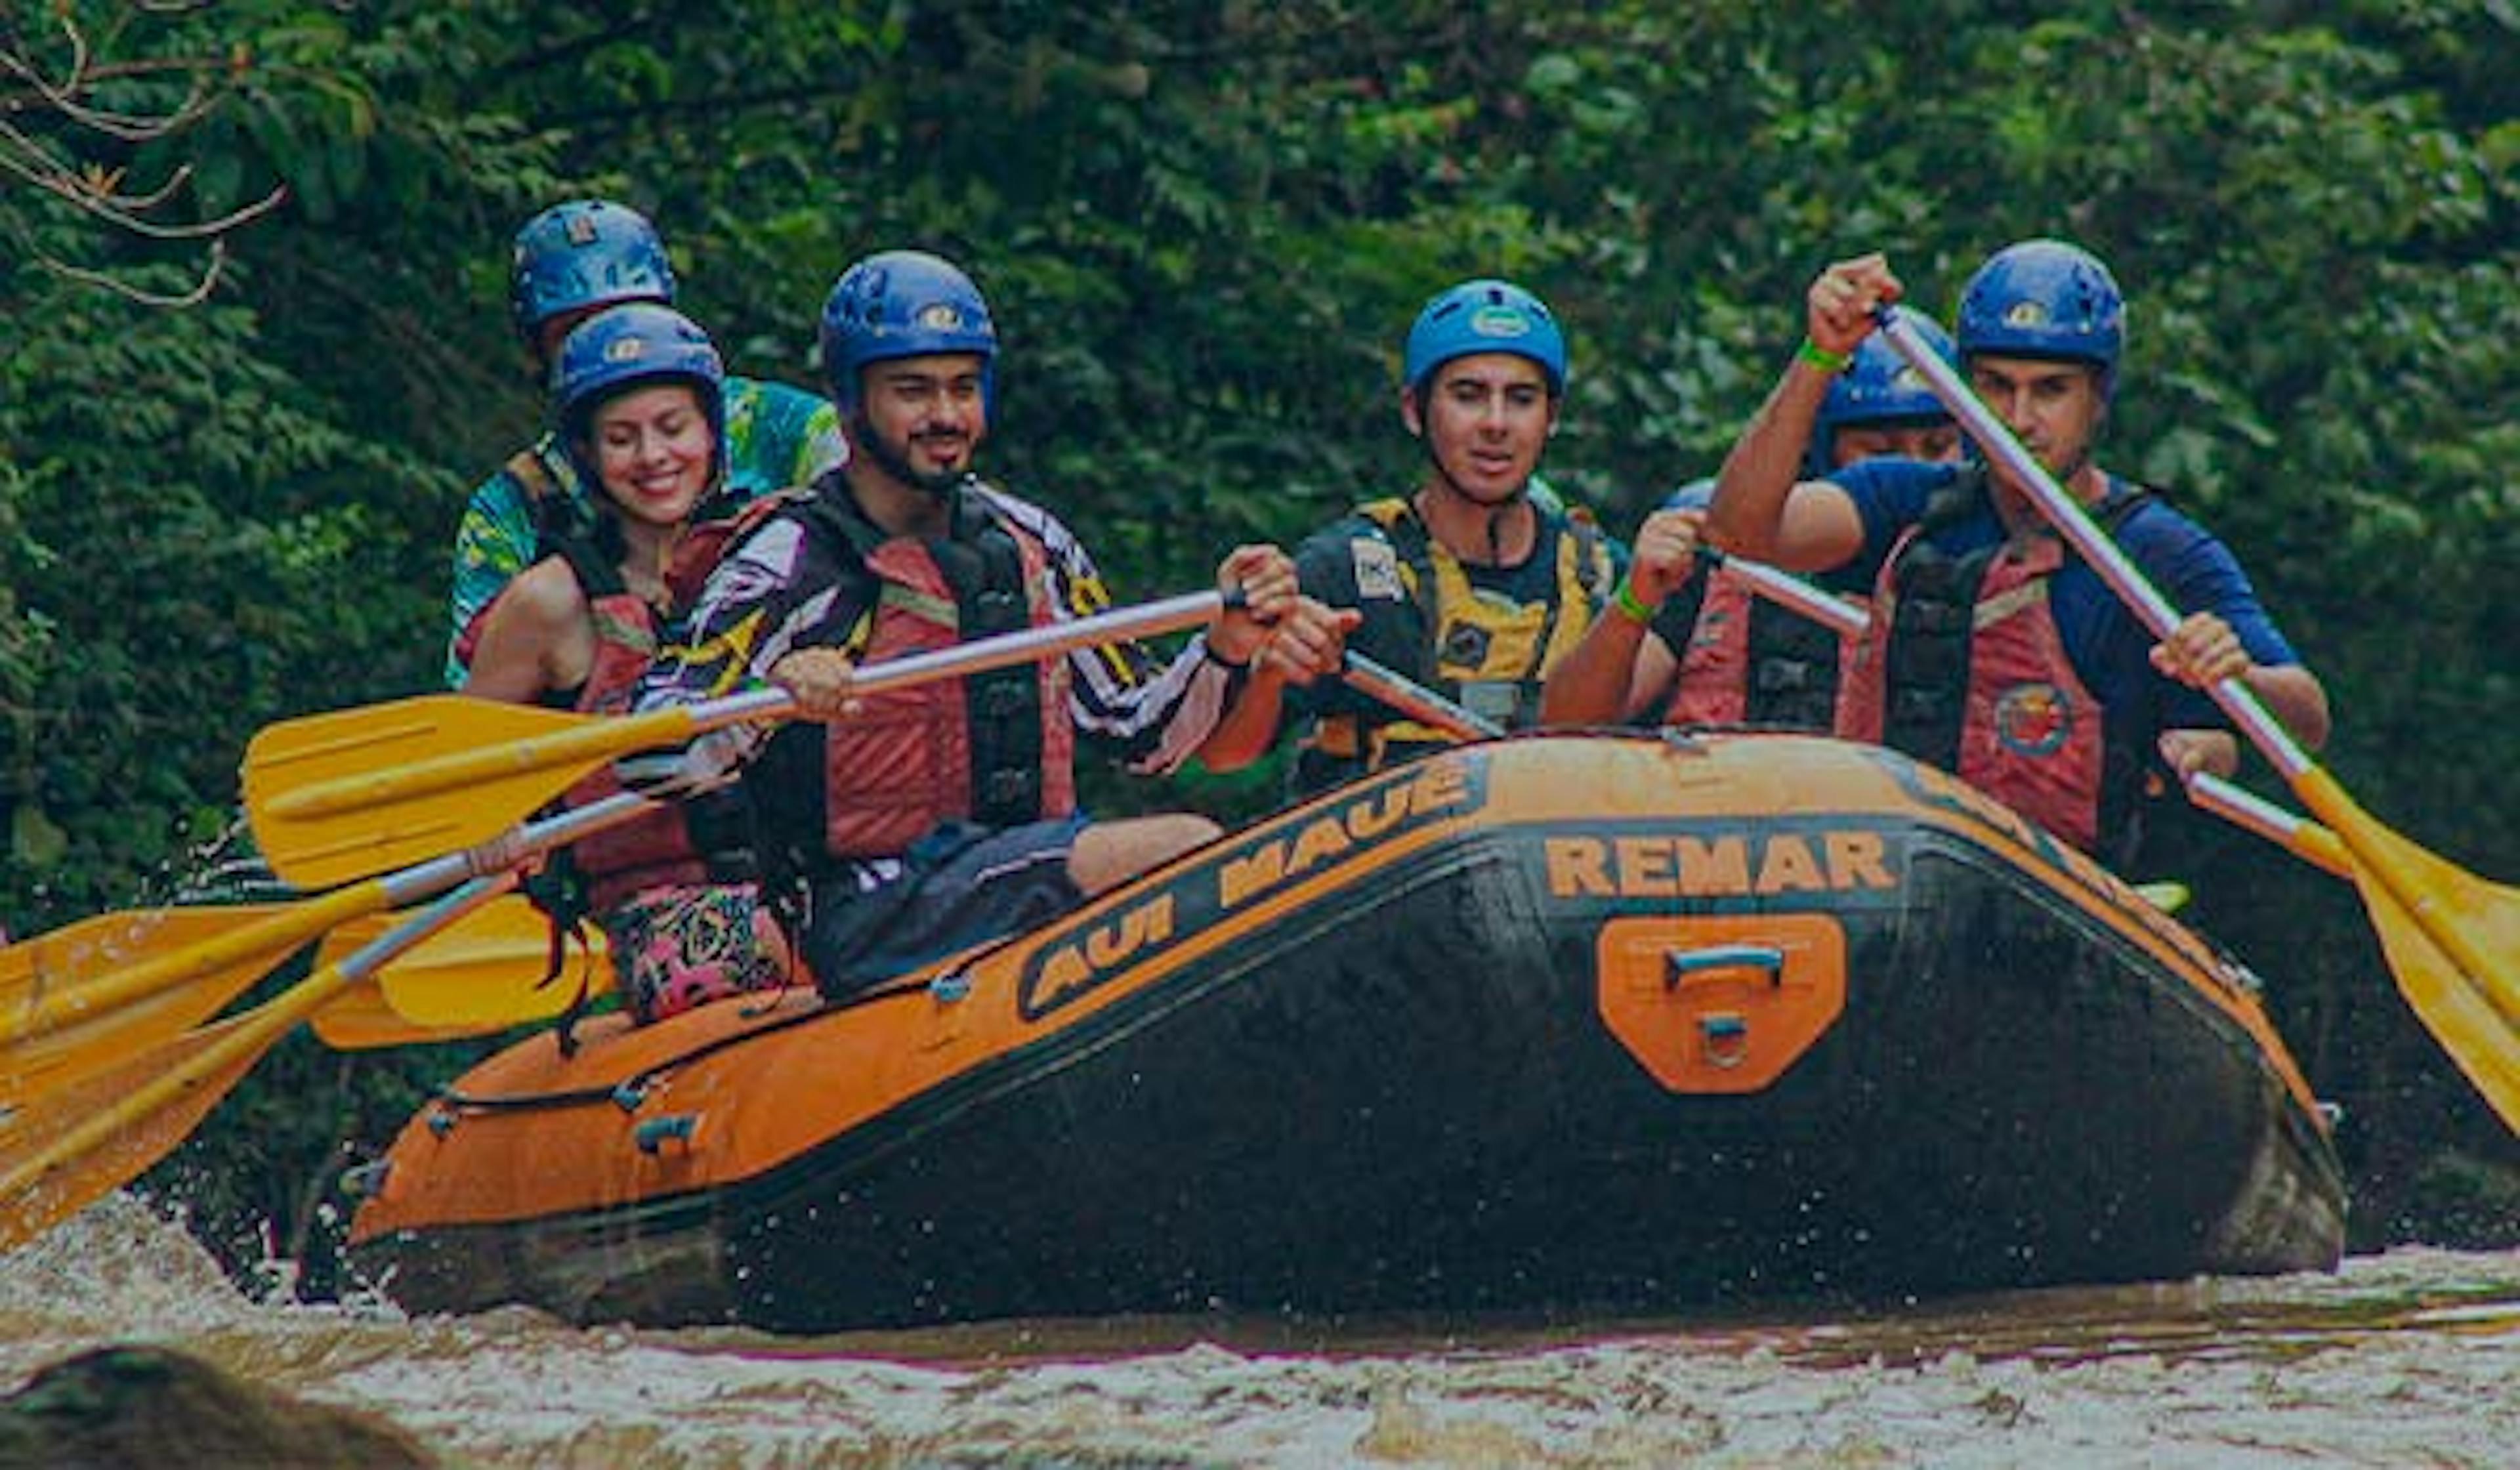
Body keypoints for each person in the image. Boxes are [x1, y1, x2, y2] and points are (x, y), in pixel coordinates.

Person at [630, 249, 1340, 999]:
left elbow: (1141, 732)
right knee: (1184, 846)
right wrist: (764, 701)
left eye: (963, 388)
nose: (944, 415)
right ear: (849, 400)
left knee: (1193, 856)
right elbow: (649, 754)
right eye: (912, 391)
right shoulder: (790, 558)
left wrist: (1224, 649)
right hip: (871, 904)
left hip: (1011, 867)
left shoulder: (1032, 538)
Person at [1702, 240, 2330, 864]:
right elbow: (1739, 532)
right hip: (1893, 882)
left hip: (2062, 906)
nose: (2020, 418)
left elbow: (2307, 718)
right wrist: (1821, 354)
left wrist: (2237, 674)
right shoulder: (1907, 502)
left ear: (2098, 397)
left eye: (2051, 390)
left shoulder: (2158, 551)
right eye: (1996, 388)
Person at [464, 303, 795, 1022]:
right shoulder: (550, 601)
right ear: (587, 453)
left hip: (798, 875)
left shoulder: (775, 560)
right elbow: (464, 772)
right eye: (622, 438)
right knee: (827, 939)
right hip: (655, 916)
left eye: (673, 428)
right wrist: (490, 828)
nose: (653, 457)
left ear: (711, 433)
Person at [1198, 278, 1624, 794]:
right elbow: (1223, 754)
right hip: (1383, 863)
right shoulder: (1343, 568)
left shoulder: (1602, 574)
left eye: (1521, 399)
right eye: (1467, 396)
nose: (1495, 423)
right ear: (1413, 411)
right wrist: (1268, 675)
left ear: (1550, 418)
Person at [446, 198, 847, 685]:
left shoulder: (779, 424)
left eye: (674, 427)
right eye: (576, 333)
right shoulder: (514, 504)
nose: (612, 346)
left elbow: (877, 524)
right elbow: (475, 691)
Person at [1541, 320, 1962, 730]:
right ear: (1823, 451)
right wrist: (1635, 601)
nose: (1911, 471)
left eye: (1938, 447)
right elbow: (1567, 725)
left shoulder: (1986, 563)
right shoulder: (1723, 557)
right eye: (1880, 452)